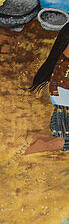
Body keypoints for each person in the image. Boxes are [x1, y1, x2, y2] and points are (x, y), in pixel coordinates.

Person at [28, 22, 69, 152]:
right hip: (64, 97)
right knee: (66, 140)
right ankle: (43, 145)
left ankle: (43, 142)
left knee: (63, 136)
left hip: (62, 95)